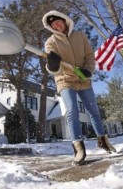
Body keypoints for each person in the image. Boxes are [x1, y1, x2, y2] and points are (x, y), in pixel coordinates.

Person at [42, 10, 116, 166]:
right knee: (72, 111)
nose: (56, 25)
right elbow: (51, 67)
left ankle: (103, 140)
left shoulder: (80, 35)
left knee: (94, 111)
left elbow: (90, 55)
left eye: (58, 21)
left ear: (64, 20)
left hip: (83, 79)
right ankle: (78, 148)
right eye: (52, 24)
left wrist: (88, 70)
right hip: (65, 80)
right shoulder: (51, 42)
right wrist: (52, 64)